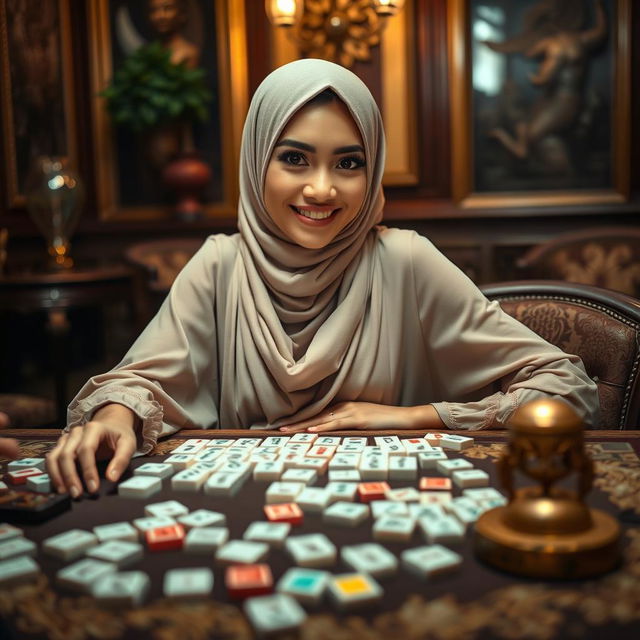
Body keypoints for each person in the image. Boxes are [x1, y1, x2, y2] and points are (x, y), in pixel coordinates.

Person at [45, 59, 599, 498]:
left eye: (348, 163)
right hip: (243, 514)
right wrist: (115, 415)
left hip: (389, 511)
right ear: (257, 160)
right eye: (294, 158)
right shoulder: (220, 266)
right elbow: (140, 381)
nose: (321, 190)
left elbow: (565, 386)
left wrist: (410, 417)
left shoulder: (405, 260)